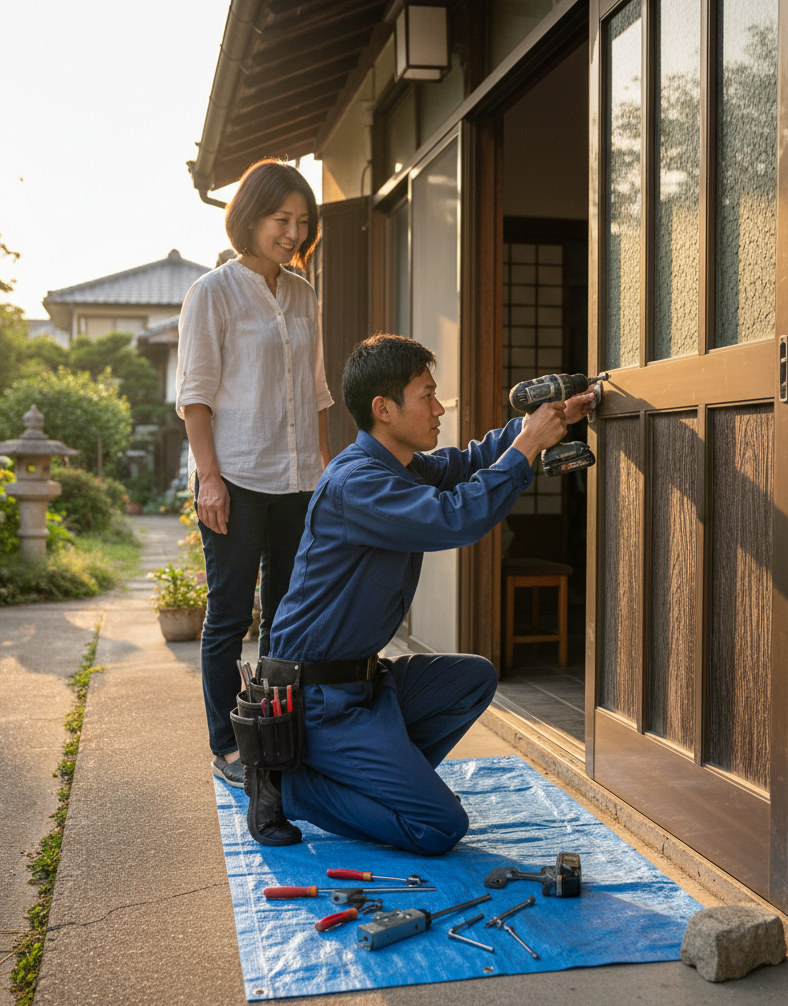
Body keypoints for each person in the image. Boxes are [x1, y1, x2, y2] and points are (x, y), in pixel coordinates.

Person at [244, 333, 593, 851]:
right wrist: (527, 446)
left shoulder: (399, 466)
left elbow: (466, 464)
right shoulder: (357, 483)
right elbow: (454, 519)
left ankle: (382, 782)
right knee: (439, 828)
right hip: (316, 699)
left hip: (363, 683)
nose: (438, 408)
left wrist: (543, 422)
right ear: (383, 409)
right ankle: (288, 783)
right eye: (427, 395)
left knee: (472, 678)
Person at [176, 159, 333, 790]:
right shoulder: (213, 291)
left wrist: (323, 472)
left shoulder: (303, 293)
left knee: (289, 617)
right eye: (280, 219)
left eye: (301, 222)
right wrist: (208, 478)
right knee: (228, 616)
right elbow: (196, 395)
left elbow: (316, 392)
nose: (292, 233)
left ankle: (275, 733)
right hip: (235, 476)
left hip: (296, 480)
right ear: (251, 217)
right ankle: (229, 746)